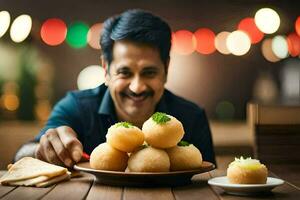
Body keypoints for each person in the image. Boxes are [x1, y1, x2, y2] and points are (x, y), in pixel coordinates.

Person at [14, 9, 216, 167]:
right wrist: (42, 148)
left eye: (149, 72)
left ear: (166, 69)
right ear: (106, 69)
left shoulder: (192, 117)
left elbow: (206, 181)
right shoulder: (76, 107)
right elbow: (21, 155)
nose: (137, 87)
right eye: (125, 73)